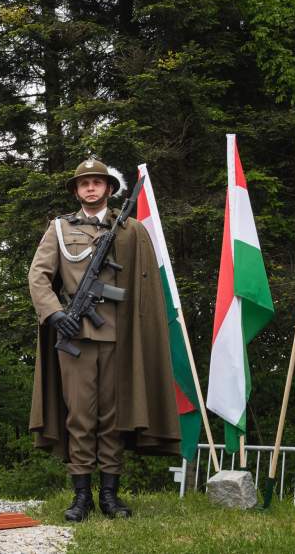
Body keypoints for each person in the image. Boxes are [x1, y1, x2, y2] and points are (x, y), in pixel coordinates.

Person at [27, 159, 180, 521]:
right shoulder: (60, 229)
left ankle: (110, 495)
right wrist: (55, 314)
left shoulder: (130, 229)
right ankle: (81, 497)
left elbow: (142, 283)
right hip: (75, 337)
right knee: (80, 417)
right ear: (77, 191)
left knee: (112, 418)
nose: (91, 188)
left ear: (109, 189)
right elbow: (39, 276)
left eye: (98, 182)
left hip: (119, 338)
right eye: (85, 184)